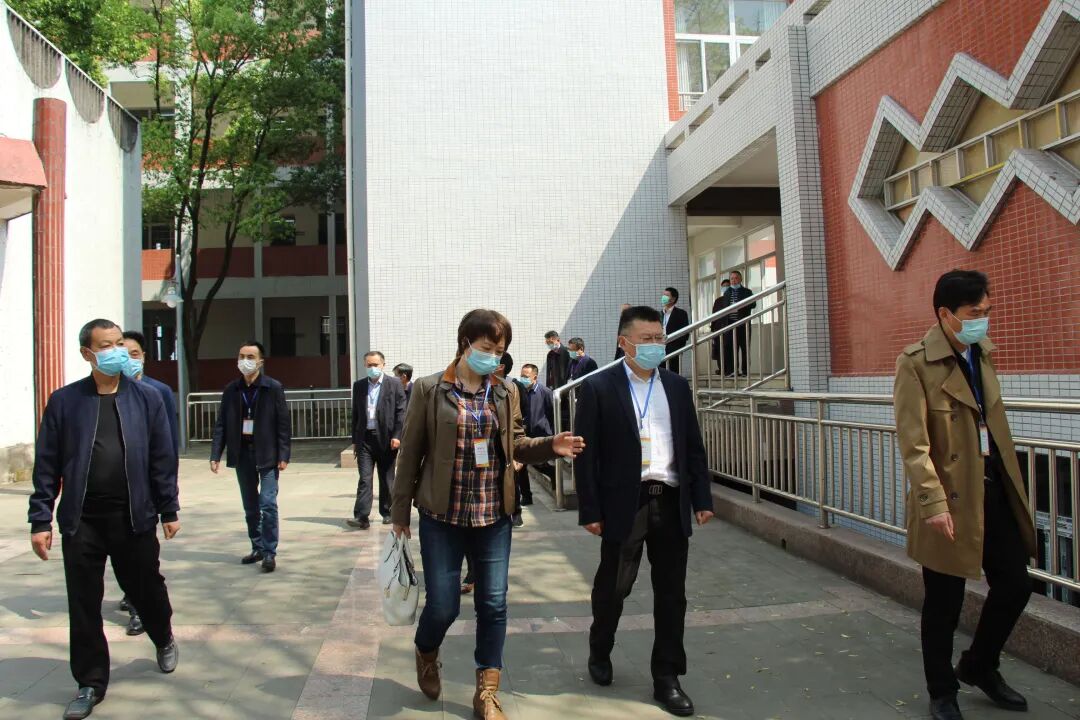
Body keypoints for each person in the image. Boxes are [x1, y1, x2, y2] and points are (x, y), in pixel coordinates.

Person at [392, 309, 585, 720]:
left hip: (493, 515)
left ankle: (487, 692)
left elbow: (517, 442)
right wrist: (399, 512)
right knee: (443, 606)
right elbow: (410, 453)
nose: (494, 357)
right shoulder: (429, 389)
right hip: (442, 516)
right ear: (465, 343)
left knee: (493, 604)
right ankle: (426, 650)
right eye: (487, 348)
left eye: (500, 351)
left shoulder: (505, 391)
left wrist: (551, 445)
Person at [894, 270, 1036, 720]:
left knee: (1016, 584)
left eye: (987, 312)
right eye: (975, 313)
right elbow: (914, 445)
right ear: (946, 314)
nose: (982, 320)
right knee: (944, 601)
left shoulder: (982, 352)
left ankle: (979, 665)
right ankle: (942, 690)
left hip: (993, 487)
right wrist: (932, 503)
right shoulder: (915, 363)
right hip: (949, 497)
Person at [29, 319, 180, 720]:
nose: (116, 352)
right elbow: (47, 464)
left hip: (133, 517)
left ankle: (163, 635)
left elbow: (162, 458)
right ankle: (90, 683)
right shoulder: (65, 402)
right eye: (106, 346)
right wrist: (40, 519)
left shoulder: (147, 399)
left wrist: (169, 508)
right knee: (83, 603)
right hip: (83, 521)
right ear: (87, 354)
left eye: (119, 344)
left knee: (146, 589)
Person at [574, 305, 714, 718]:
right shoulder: (598, 387)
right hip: (625, 503)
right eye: (647, 339)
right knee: (614, 587)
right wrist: (590, 509)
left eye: (660, 338)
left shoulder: (676, 386)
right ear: (625, 342)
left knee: (672, 594)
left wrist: (702, 498)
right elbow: (586, 456)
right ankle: (600, 646)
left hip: (669, 499)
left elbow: (693, 446)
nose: (656, 345)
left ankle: (667, 677)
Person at [115, 330, 180, 638]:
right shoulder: (108, 391)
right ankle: (132, 596)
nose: (128, 359)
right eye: (122, 353)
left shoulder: (158, 392)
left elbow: (167, 445)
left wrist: (168, 496)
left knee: (142, 555)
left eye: (134, 354)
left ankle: (140, 609)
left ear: (144, 357)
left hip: (146, 489)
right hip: (115, 488)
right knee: (122, 553)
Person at [210, 342, 291, 573]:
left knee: (268, 504)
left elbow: (283, 424)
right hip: (242, 453)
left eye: (250, 356)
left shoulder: (273, 387)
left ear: (260, 362)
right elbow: (221, 424)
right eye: (241, 356)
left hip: (267, 454)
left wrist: (284, 454)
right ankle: (257, 547)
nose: (245, 360)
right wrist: (216, 454)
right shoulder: (231, 390)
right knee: (250, 506)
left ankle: (269, 552)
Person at [348, 351, 407, 528]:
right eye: (369, 365)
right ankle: (361, 516)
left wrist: (397, 436)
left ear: (383, 365)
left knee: (387, 478)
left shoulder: (394, 384)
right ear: (365, 366)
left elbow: (401, 412)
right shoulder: (359, 386)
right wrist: (355, 440)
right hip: (365, 439)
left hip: (387, 439)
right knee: (365, 478)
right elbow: (356, 414)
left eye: (375, 364)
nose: (372, 368)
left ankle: (387, 511)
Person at [712, 271, 754, 377]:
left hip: (743, 324)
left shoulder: (747, 292)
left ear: (740, 279)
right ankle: (732, 370)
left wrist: (740, 305)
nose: (733, 280)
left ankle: (745, 371)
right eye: (732, 278)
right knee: (730, 348)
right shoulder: (727, 292)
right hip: (730, 324)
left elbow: (753, 304)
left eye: (736, 278)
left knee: (744, 348)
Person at [660, 288, 690, 374]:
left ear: (673, 299)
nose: (663, 297)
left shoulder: (681, 313)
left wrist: (677, 347)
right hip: (659, 349)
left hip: (673, 349)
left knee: (673, 373)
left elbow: (685, 333)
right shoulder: (659, 314)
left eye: (666, 295)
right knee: (661, 373)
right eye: (663, 295)